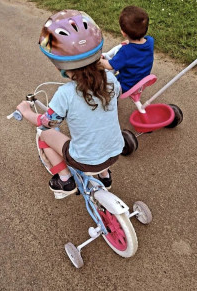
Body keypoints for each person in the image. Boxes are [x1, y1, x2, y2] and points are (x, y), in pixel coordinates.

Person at [17, 10, 124, 199]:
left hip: (85, 161)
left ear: (60, 65)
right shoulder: (109, 78)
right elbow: (115, 97)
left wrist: (26, 112)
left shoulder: (65, 94)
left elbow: (46, 122)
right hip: (115, 151)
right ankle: (105, 177)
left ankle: (65, 180)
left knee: (45, 135)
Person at [100, 6, 154, 93]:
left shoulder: (125, 52)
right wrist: (130, 42)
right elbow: (137, 47)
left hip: (126, 85)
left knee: (102, 82)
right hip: (141, 82)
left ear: (123, 32)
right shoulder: (150, 41)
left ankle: (111, 100)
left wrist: (99, 60)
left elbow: (110, 65)